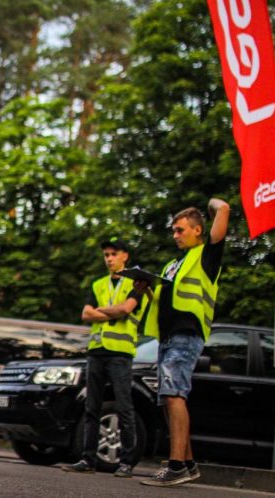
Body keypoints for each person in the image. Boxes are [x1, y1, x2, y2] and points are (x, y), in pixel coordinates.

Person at [140, 198, 230, 488]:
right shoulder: (172, 264)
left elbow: (224, 209)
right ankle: (188, 464)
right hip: (168, 337)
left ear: (198, 230)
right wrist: (145, 290)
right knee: (169, 397)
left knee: (174, 393)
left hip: (186, 334)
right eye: (174, 231)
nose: (175, 235)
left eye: (180, 230)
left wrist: (214, 204)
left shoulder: (207, 255)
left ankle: (176, 465)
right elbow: (165, 302)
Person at [62, 237, 149, 478]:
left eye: (114, 254)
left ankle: (126, 463)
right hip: (97, 352)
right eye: (106, 255)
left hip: (120, 354)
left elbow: (126, 309)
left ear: (125, 256)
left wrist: (100, 312)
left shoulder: (137, 282)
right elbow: (85, 314)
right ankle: (87, 460)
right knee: (91, 408)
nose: (109, 258)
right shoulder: (99, 284)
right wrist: (110, 313)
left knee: (124, 408)